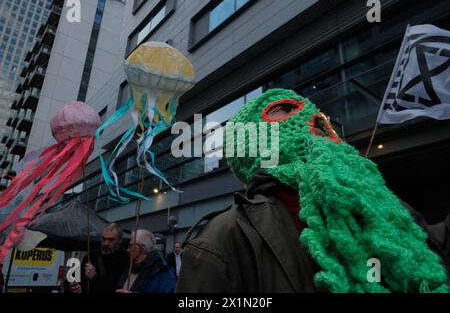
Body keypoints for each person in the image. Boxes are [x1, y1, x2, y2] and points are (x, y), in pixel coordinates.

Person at [176, 88, 450, 293]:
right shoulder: (227, 237)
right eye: (283, 108)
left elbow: (435, 246)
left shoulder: (382, 208)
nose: (311, 115)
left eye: (314, 110)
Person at [68, 222, 129, 293]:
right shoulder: (91, 256)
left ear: (120, 240)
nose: (106, 243)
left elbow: (118, 288)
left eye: (111, 240)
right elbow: (73, 279)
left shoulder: (126, 259)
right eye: (103, 239)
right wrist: (74, 287)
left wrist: (95, 277)